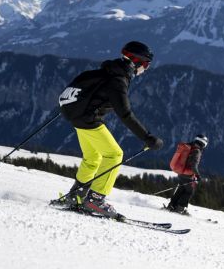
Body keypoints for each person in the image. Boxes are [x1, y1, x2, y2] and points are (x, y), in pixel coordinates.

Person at [53, 41, 165, 217]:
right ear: (137, 62)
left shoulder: (108, 71)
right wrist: (148, 137)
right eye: (146, 64)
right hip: (89, 120)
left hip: (78, 117)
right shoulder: (118, 80)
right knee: (114, 155)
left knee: (93, 157)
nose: (146, 69)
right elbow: (125, 114)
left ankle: (76, 195)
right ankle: (95, 200)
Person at [165, 134, 209, 215]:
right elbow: (194, 166)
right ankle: (180, 209)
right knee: (189, 191)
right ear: (203, 144)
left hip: (181, 172)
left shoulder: (189, 146)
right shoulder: (197, 151)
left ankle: (171, 206)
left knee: (181, 189)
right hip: (188, 175)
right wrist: (198, 175)